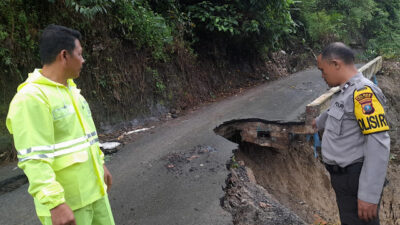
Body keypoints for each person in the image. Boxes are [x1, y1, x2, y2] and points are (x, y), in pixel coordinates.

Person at [6, 25, 115, 225]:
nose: (83, 60)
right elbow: (34, 158)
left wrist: (100, 166)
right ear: (64, 56)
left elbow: (86, 139)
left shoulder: (72, 91)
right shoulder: (31, 98)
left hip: (96, 194)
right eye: (80, 54)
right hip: (68, 206)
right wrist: (55, 203)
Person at [313, 42, 390, 225]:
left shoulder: (364, 93)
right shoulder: (345, 91)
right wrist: (313, 124)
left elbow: (378, 143)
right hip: (344, 180)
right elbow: (333, 114)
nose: (322, 76)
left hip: (356, 180)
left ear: (336, 64)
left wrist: (369, 195)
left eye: (323, 70)